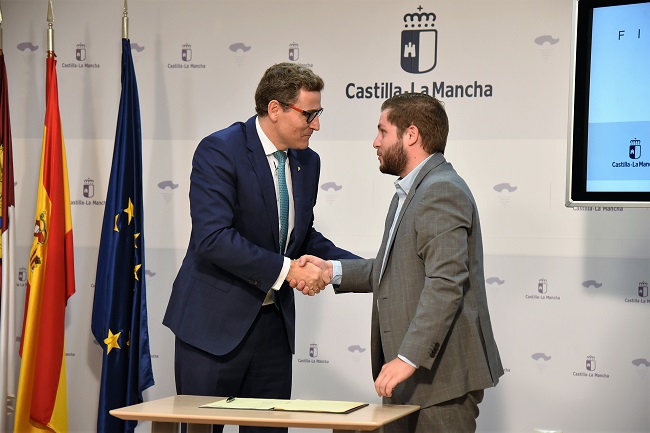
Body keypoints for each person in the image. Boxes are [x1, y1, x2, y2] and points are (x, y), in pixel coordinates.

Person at [163, 62, 358, 433]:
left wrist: (365, 268)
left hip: (273, 331)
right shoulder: (221, 150)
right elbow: (213, 237)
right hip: (213, 329)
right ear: (275, 109)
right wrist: (289, 270)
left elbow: (302, 237)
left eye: (318, 114)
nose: (316, 125)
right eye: (309, 114)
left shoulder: (308, 161)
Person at [296, 93, 504, 433]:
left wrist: (408, 358)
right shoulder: (411, 192)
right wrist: (332, 270)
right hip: (409, 379)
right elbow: (397, 270)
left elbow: (445, 283)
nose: (375, 142)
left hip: (440, 382)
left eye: (382, 131)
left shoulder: (441, 190)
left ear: (411, 135)